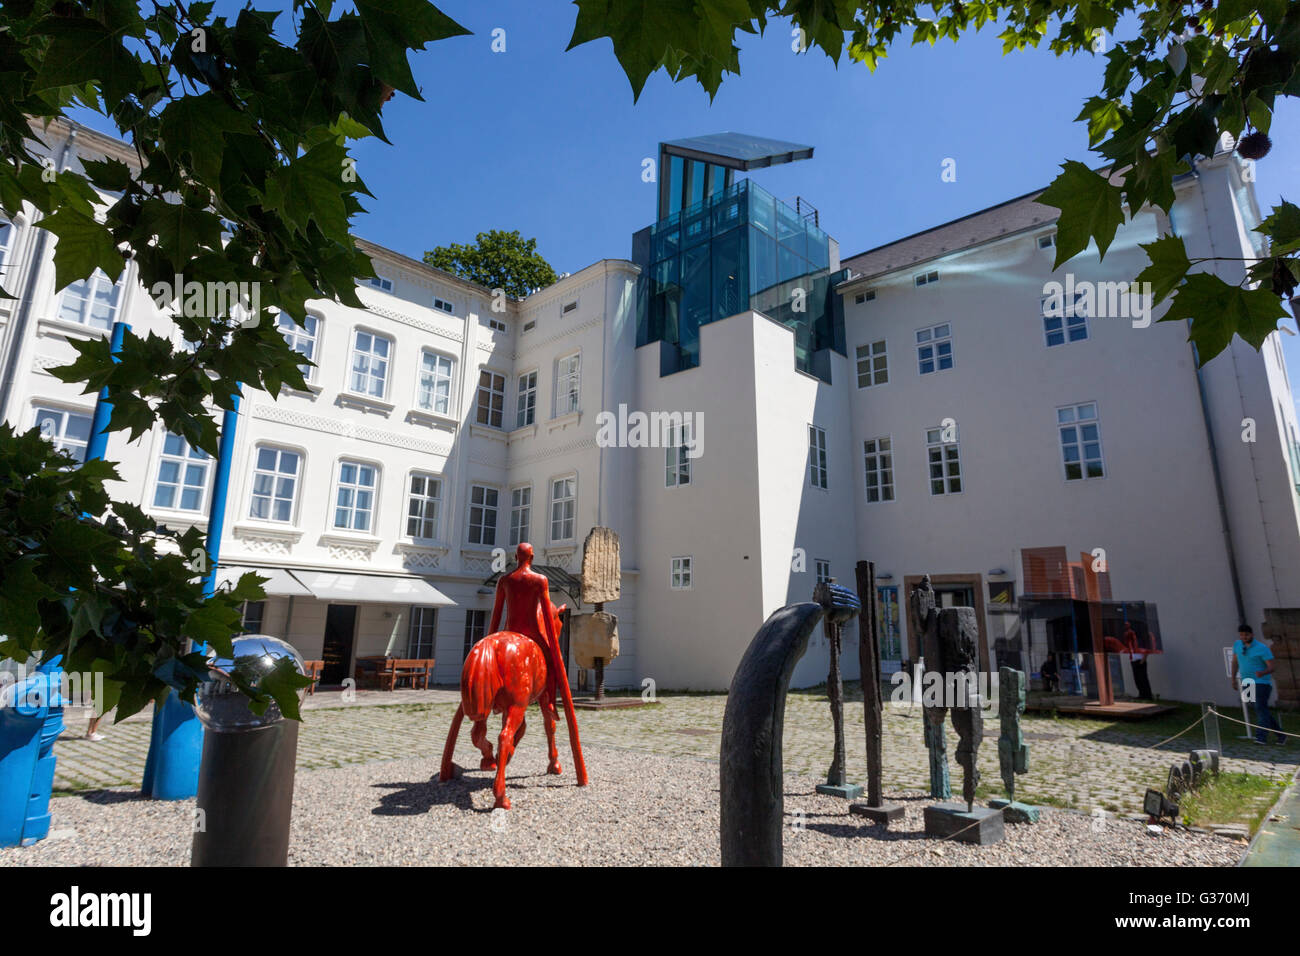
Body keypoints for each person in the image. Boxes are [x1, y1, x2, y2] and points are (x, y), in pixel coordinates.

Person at [1231, 624, 1285, 745]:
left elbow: (1272, 666)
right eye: (1241, 635)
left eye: (1246, 635)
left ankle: (1261, 737)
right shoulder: (1237, 645)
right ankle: (1281, 735)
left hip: (1261, 682)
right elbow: (1235, 662)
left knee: (1260, 707)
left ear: (1252, 635)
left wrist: (1263, 672)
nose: (1244, 637)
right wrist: (1233, 679)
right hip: (1246, 681)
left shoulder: (1262, 648)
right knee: (1259, 709)